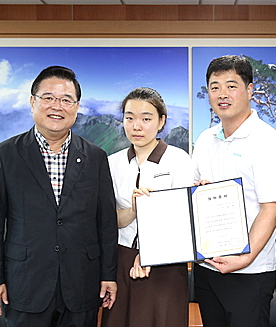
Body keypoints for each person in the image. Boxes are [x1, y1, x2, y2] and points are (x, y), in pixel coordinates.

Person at [0, 65, 118, 327]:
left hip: (81, 283)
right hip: (25, 284)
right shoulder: (4, 155)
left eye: (66, 100)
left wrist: (108, 275)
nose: (58, 106)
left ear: (76, 107)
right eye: (49, 98)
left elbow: (106, 222)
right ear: (33, 102)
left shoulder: (95, 157)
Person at [192, 55, 276, 327]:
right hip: (207, 266)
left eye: (231, 85)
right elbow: (192, 194)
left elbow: (272, 209)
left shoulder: (267, 141)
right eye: (214, 87)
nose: (222, 94)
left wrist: (244, 258)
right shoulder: (204, 139)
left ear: (249, 90)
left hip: (251, 270)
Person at [100, 87, 193, 327]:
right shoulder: (112, 163)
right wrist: (132, 210)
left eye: (146, 118)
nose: (136, 126)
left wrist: (151, 253)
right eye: (129, 118)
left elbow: (185, 219)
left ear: (161, 122)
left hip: (166, 263)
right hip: (121, 261)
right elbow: (112, 221)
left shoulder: (179, 159)